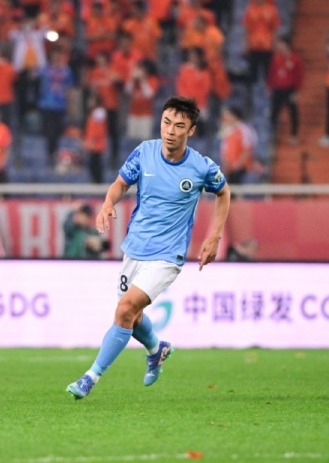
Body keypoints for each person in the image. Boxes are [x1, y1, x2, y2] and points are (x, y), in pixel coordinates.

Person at [66, 96, 230, 400]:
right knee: (133, 314)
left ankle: (90, 378)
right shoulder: (144, 152)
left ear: (191, 130)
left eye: (179, 126)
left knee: (125, 309)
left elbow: (224, 192)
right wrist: (108, 202)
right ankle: (157, 349)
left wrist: (214, 236)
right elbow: (120, 183)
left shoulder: (201, 167)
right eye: (166, 122)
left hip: (168, 255)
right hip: (135, 247)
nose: (170, 131)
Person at [268, 37, 304, 145]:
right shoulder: (275, 58)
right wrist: (270, 86)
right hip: (277, 89)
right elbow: (271, 73)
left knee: (293, 113)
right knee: (274, 113)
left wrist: (297, 91)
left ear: (287, 45)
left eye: (281, 44)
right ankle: (273, 135)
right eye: (279, 45)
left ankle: (294, 135)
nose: (279, 47)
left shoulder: (295, 58)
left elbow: (299, 75)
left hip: (290, 90)